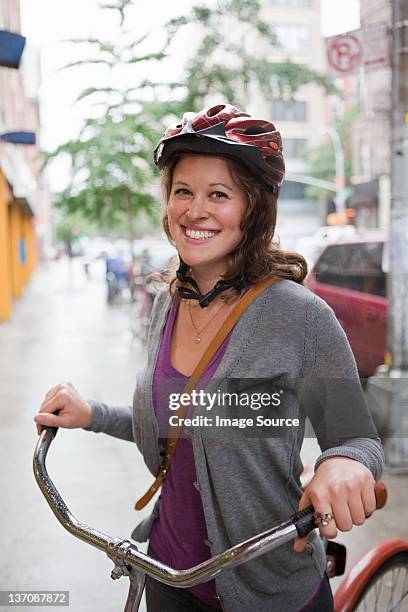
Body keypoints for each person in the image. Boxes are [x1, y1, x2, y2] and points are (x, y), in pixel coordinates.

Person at [34, 103, 384, 612]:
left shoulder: (300, 317)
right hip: (168, 575)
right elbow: (185, 420)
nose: (195, 210)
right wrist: (92, 415)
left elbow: (358, 437)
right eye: (183, 191)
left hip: (268, 587)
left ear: (253, 209)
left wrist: (345, 461)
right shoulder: (167, 301)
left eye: (218, 194)